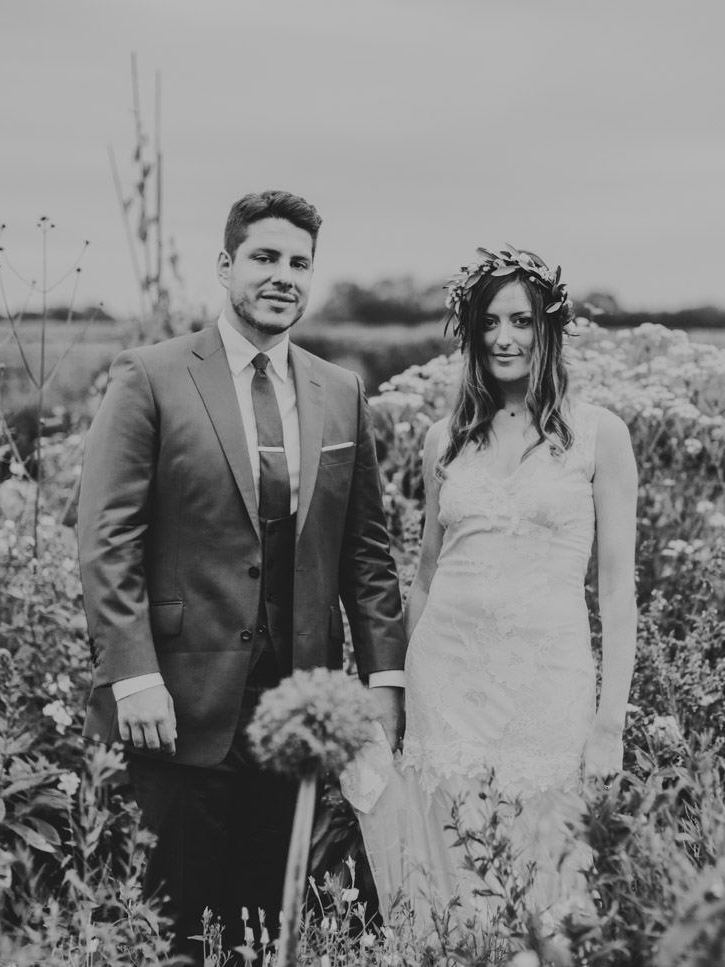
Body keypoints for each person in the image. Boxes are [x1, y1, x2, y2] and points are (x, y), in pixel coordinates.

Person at [76, 190, 407, 958]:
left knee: (270, 931)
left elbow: (367, 551)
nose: (283, 275)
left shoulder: (341, 390)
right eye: (265, 257)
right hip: (177, 704)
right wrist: (133, 675)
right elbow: (107, 538)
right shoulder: (150, 376)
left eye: (299, 262)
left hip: (296, 712)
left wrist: (384, 682)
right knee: (174, 929)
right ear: (226, 266)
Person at [359, 246, 638, 931]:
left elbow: (618, 591)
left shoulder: (600, 435)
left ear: (550, 326)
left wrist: (610, 721)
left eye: (521, 320)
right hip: (444, 681)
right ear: (470, 333)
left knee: (546, 866)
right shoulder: (442, 438)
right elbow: (423, 574)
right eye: (488, 322)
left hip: (548, 682)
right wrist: (392, 690)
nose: (505, 337)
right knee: (449, 852)